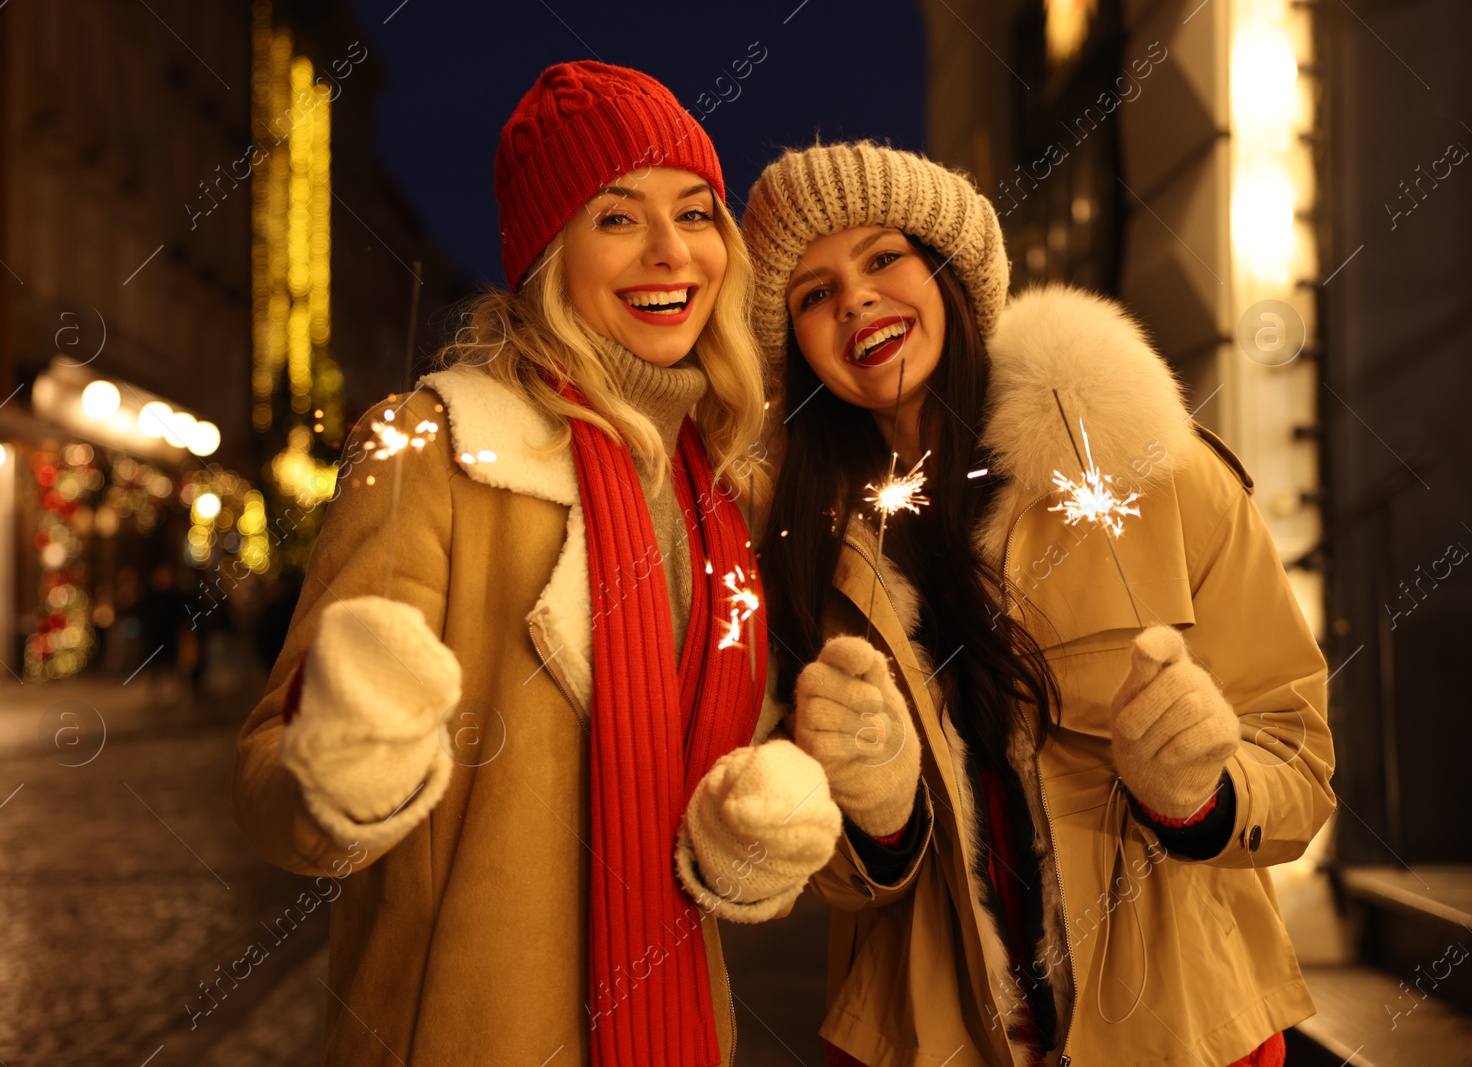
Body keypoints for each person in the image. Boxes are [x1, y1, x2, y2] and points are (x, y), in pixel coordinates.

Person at [233, 62, 840, 1067]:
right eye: (615, 217)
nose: (668, 251)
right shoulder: (436, 446)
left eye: (694, 213)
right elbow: (272, 787)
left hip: (676, 1028)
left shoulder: (730, 495)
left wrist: (758, 826)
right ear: (548, 252)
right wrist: (349, 751)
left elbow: (723, 773)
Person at [742, 141, 1336, 1067]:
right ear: (798, 347)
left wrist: (1200, 795)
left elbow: (1298, 762)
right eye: (812, 293)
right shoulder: (802, 550)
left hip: (1180, 1033)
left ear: (949, 270)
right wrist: (877, 816)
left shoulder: (1153, 469)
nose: (854, 299)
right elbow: (812, 861)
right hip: (927, 1040)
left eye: (883, 257)